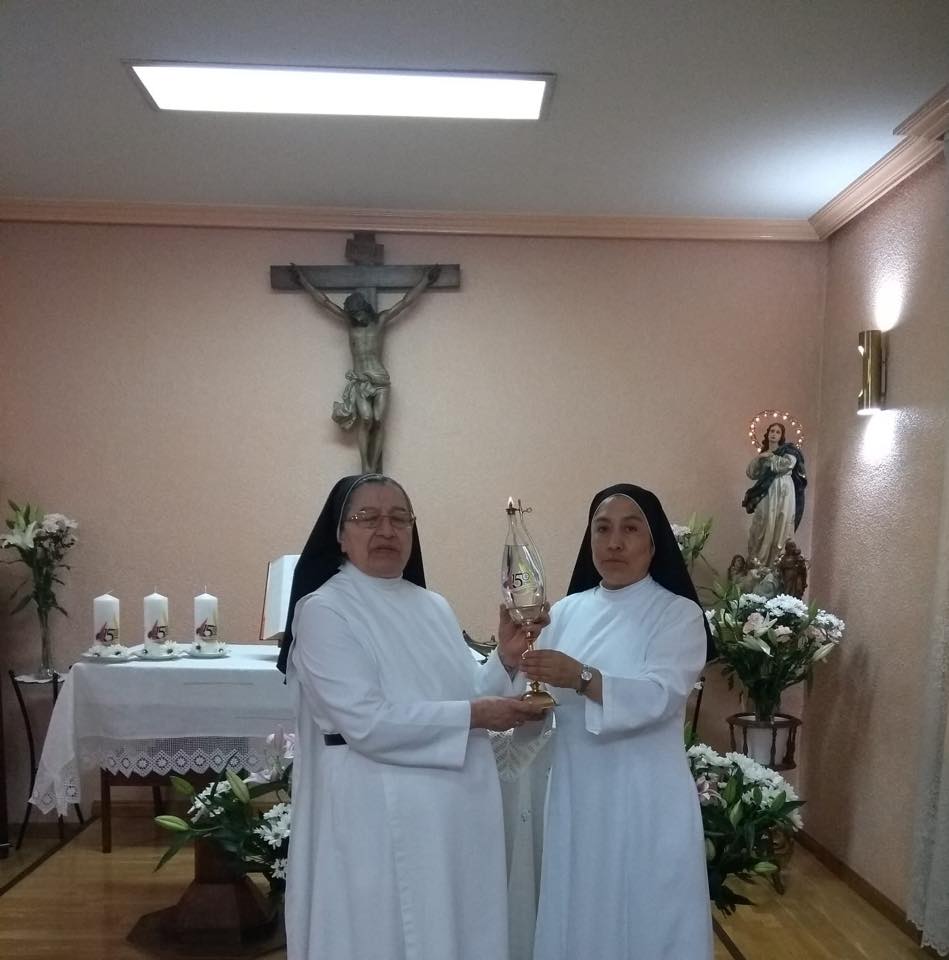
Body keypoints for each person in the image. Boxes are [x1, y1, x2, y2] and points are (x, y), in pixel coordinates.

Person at [277, 474, 546, 960]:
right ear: (340, 534)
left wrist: (505, 660)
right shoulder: (325, 610)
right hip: (377, 814)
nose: (387, 530)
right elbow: (366, 723)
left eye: (399, 518)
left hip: (455, 816)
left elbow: (466, 694)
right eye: (368, 518)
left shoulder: (433, 606)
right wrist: (476, 714)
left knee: (456, 931)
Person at [521, 483, 714, 960]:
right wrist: (516, 672)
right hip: (577, 791)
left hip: (646, 793)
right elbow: (532, 689)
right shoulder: (565, 612)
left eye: (630, 530)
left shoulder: (678, 614)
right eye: (602, 529)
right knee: (580, 905)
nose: (614, 542)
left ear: (653, 543)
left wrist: (582, 677)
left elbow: (660, 695)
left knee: (647, 911)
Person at [289, 264, 441, 473]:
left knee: (378, 420)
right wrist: (303, 281)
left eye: (359, 314)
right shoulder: (350, 323)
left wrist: (425, 281)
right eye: (353, 315)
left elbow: (405, 303)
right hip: (361, 381)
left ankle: (374, 466)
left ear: (366, 309)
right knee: (366, 419)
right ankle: (366, 467)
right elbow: (325, 303)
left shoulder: (380, 321)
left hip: (380, 380)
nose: (357, 318)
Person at [741, 421, 807, 565]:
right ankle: (758, 561)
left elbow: (787, 464)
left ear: (781, 436)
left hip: (783, 489)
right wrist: (759, 457)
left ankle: (776, 563)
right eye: (772, 431)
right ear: (767, 433)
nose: (774, 434)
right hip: (767, 491)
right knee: (762, 521)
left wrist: (769, 457)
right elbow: (752, 473)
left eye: (778, 432)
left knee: (781, 523)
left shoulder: (789, 451)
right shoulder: (763, 454)